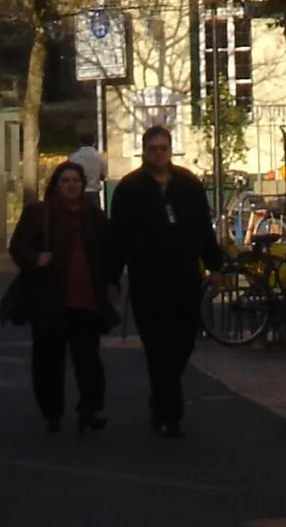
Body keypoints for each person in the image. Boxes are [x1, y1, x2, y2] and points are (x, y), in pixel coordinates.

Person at [106, 123, 223, 439]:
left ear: (170, 150)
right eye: (153, 148)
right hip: (148, 279)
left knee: (183, 343)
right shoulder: (130, 189)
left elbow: (203, 229)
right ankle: (171, 415)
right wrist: (112, 278)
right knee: (158, 346)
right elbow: (117, 237)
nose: (158, 154)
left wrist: (215, 267)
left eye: (163, 148)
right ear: (144, 151)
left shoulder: (188, 185)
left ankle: (161, 397)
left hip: (185, 277)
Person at [10, 160, 117, 432]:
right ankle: (52, 411)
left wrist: (111, 283)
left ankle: (90, 408)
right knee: (48, 361)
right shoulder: (40, 214)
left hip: (86, 299)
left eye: (76, 181)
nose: (71, 186)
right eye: (66, 181)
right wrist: (36, 259)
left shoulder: (94, 216)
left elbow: (109, 252)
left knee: (88, 360)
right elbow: (18, 247)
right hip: (49, 299)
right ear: (57, 185)